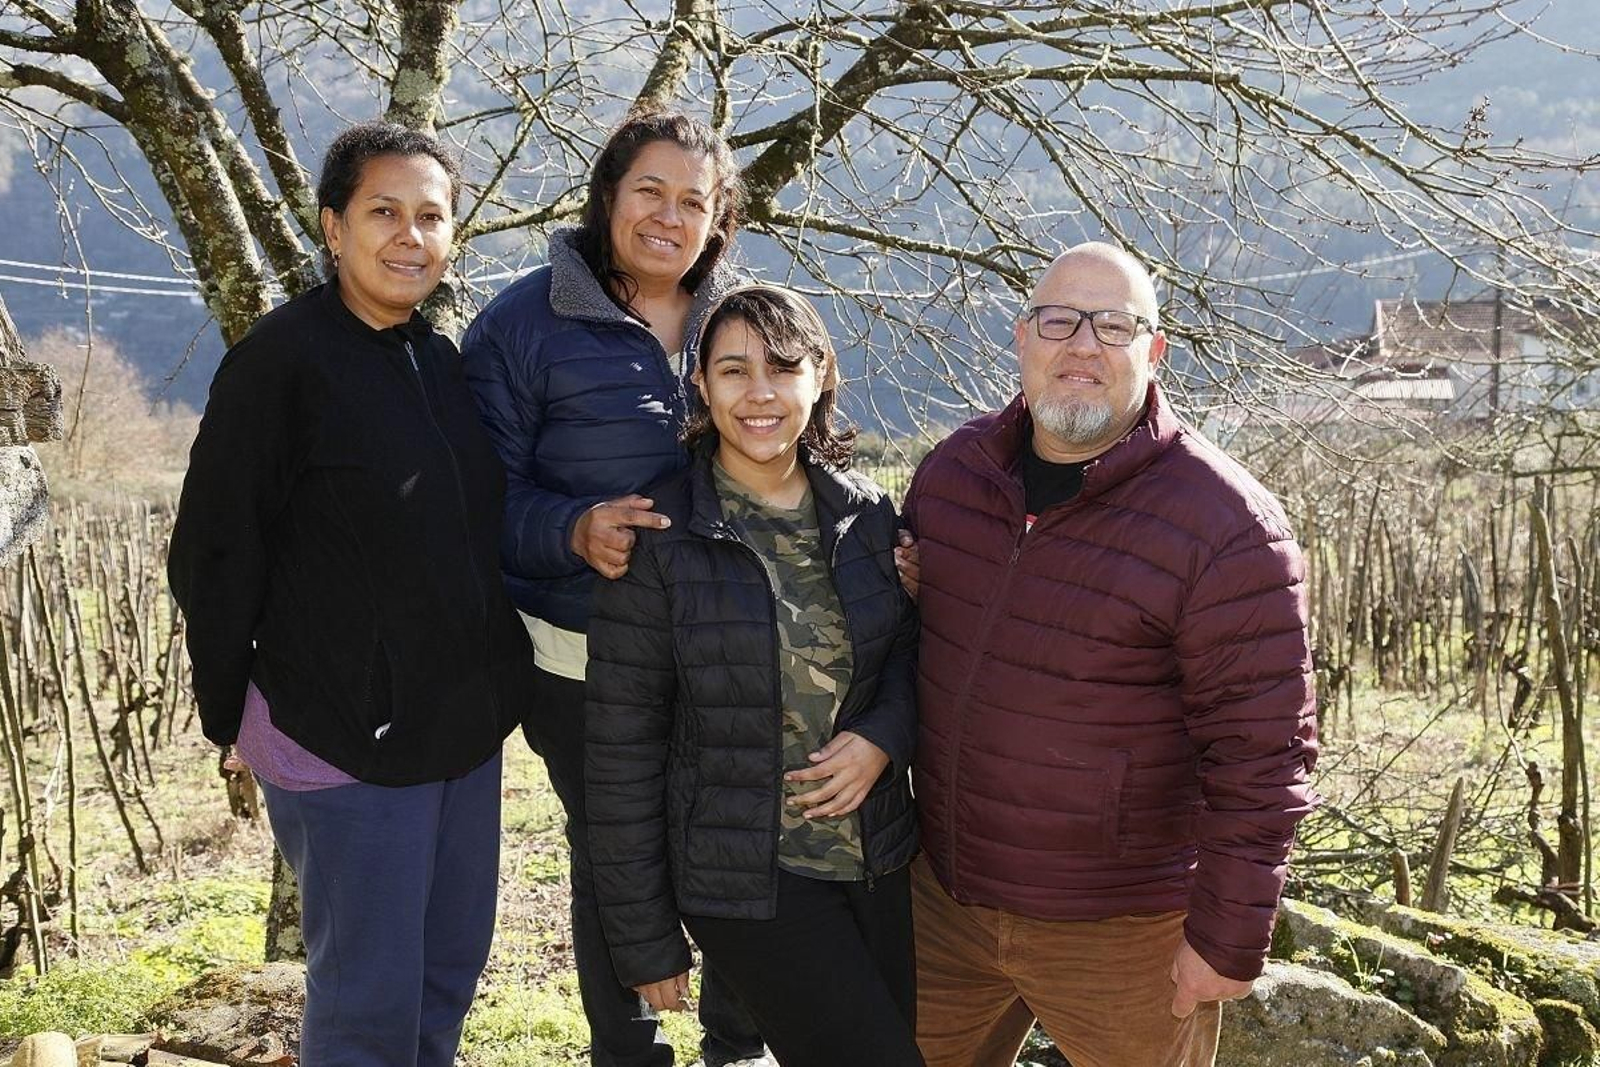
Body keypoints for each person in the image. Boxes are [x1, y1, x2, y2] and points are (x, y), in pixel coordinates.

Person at [167, 121, 535, 1067]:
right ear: (334, 227)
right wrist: (234, 715)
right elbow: (212, 548)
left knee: (444, 980)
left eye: (431, 216)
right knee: (368, 1006)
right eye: (384, 212)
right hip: (341, 741)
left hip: (459, 736)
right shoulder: (280, 364)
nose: (410, 235)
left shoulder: (440, 362)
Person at [898, 242, 1319, 1067]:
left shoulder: (1225, 525)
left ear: (1154, 350)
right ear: (1022, 337)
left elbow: (1263, 752)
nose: (1082, 344)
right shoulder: (955, 475)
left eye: (1114, 325)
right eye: (1059, 320)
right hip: (945, 901)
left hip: (1124, 929)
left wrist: (1228, 937)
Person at [460, 111, 767, 1067]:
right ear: (608, 195)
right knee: (612, 854)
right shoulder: (519, 326)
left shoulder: (747, 319)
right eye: (650, 192)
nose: (668, 217)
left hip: (725, 653)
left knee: (739, 845)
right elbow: (475, 502)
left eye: (693, 201)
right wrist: (570, 528)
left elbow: (808, 450)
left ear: (717, 219)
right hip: (580, 654)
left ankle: (740, 1044)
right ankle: (627, 1051)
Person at [585, 284, 923, 1067]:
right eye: (734, 370)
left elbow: (908, 659)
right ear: (700, 384)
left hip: (875, 859)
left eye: (782, 366)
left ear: (820, 375)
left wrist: (881, 737)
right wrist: (642, 933)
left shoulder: (868, 515)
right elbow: (621, 747)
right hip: (746, 876)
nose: (760, 392)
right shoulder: (661, 536)